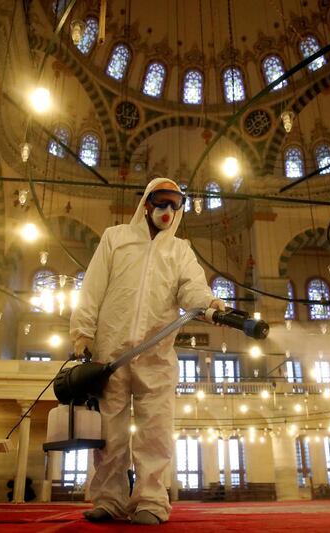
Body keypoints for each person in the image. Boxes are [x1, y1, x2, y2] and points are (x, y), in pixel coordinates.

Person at [70, 178, 224, 525]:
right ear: (146, 203)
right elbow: (92, 288)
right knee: (110, 434)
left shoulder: (180, 250)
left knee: (155, 432)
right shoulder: (116, 238)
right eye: (161, 202)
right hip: (109, 354)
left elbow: (192, 289)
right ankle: (109, 499)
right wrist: (82, 333)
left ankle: (151, 502)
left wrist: (211, 304)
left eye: (174, 204)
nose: (167, 211)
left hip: (156, 355)